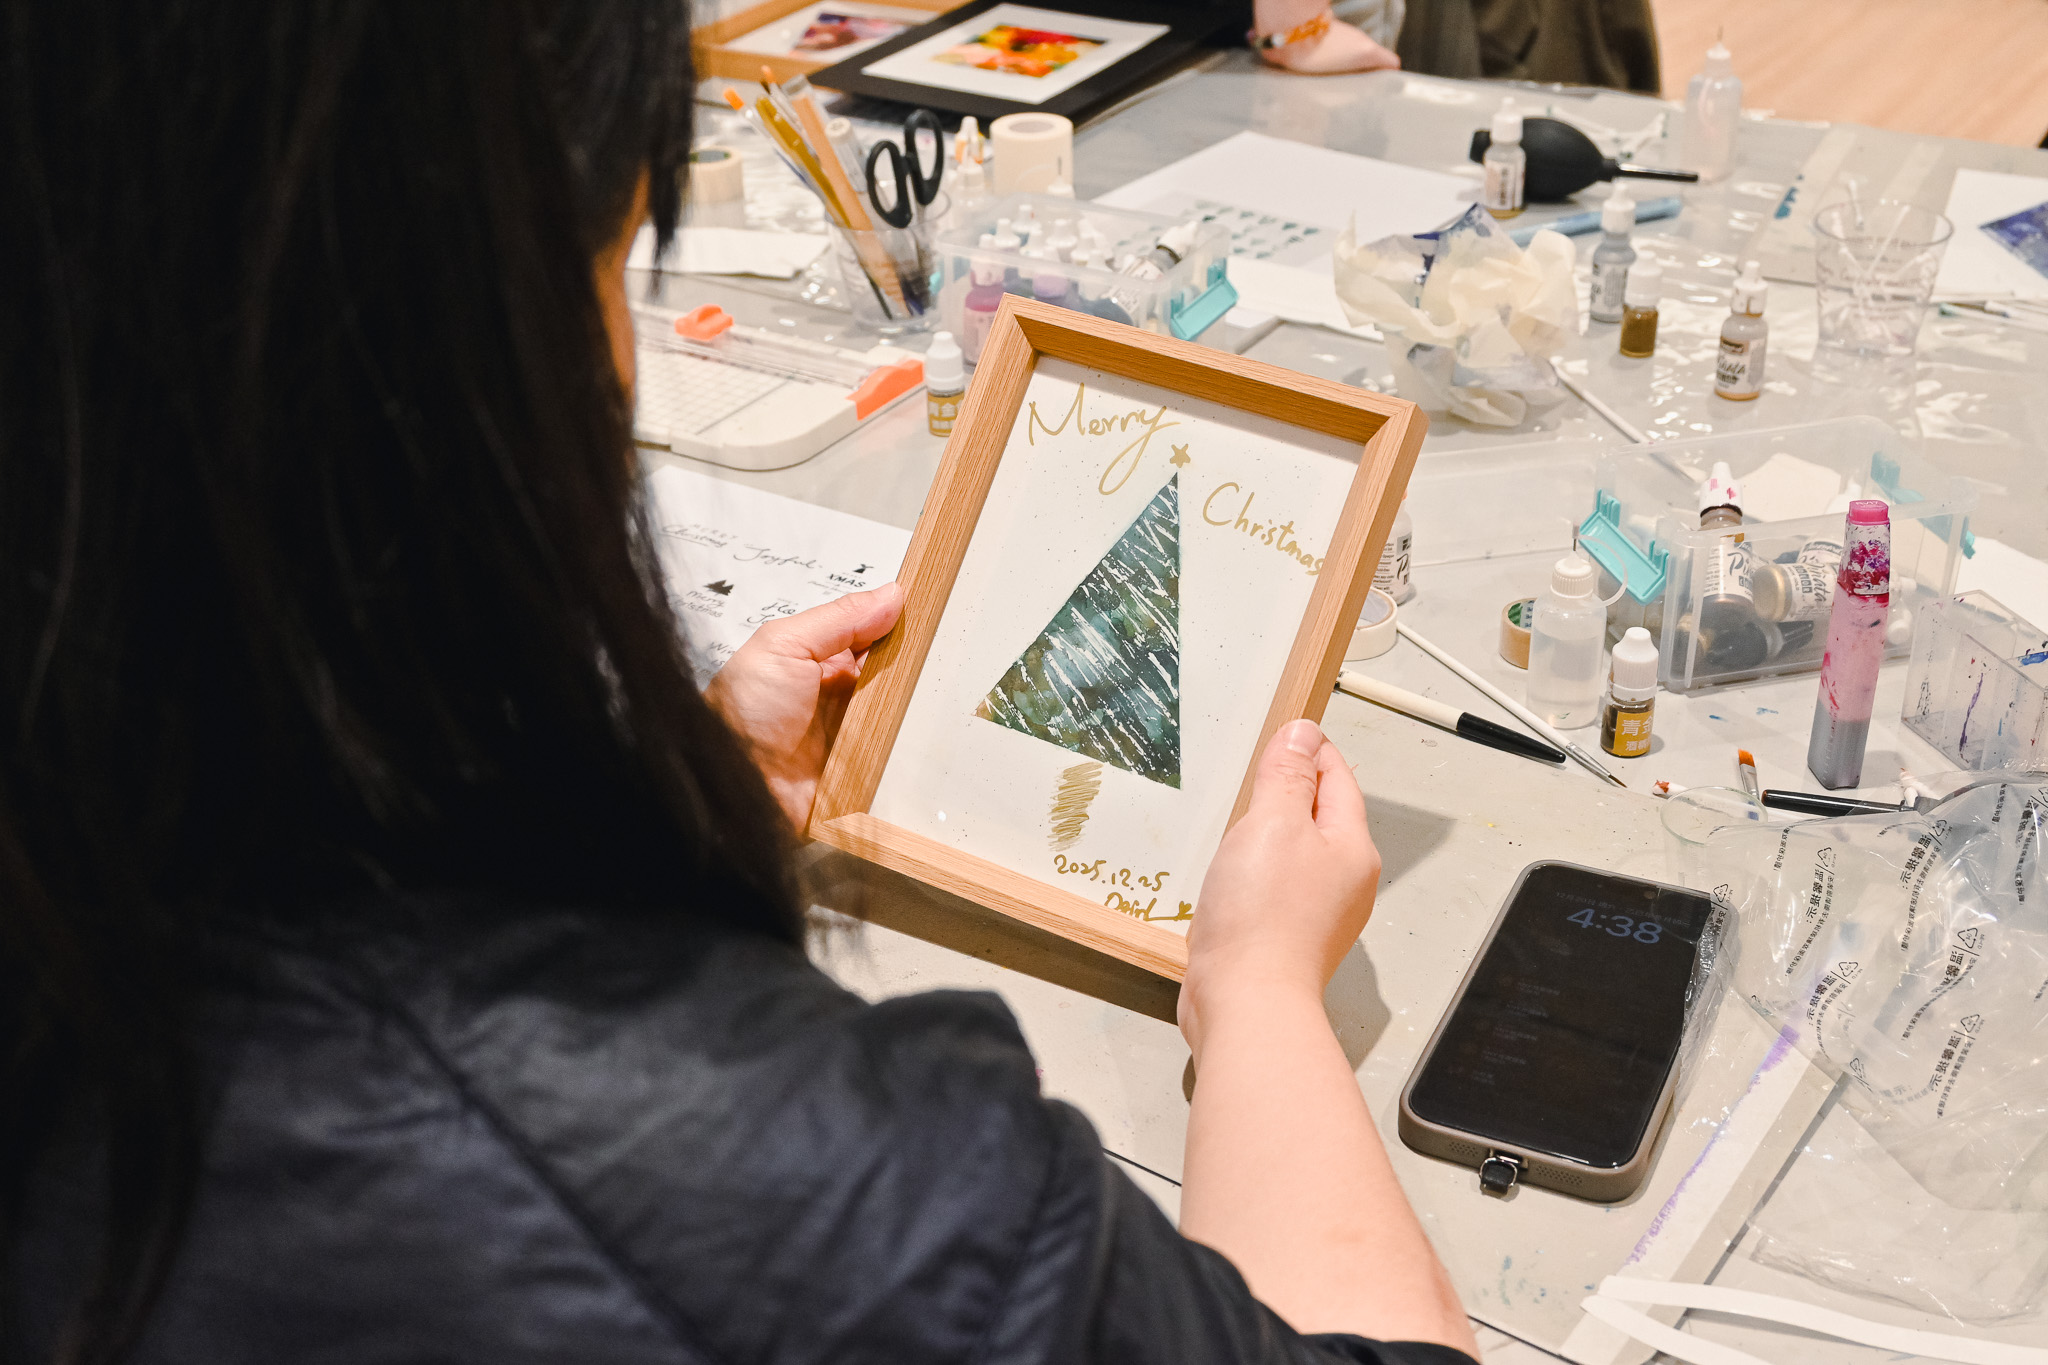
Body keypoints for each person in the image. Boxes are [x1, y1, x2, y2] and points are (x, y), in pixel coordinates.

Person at [0, 3, 1479, 1362]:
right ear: (474, 345)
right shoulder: (817, 1197)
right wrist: (1258, 986)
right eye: (619, 265)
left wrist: (695, 795)